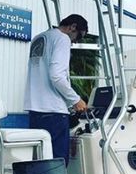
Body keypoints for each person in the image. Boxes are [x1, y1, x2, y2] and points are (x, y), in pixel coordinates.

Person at [24, 14, 88, 165]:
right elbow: (57, 76)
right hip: (54, 112)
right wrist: (75, 100)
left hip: (35, 110)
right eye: (78, 37)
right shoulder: (62, 39)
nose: (74, 42)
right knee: (57, 163)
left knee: (40, 162)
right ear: (73, 27)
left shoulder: (39, 38)